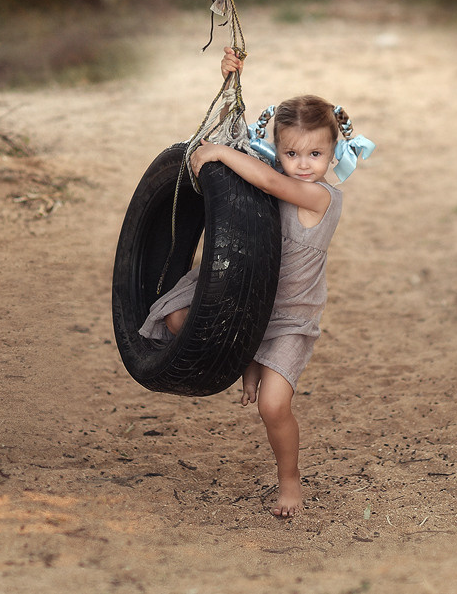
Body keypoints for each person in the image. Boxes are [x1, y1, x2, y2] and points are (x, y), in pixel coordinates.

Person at [138, 46, 373, 518]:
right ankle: (244, 355)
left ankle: (289, 480)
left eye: (315, 153)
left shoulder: (318, 197)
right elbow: (220, 146)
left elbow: (263, 179)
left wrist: (223, 153)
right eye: (290, 152)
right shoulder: (270, 169)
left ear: (334, 152)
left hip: (288, 319)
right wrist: (229, 78)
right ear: (276, 148)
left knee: (272, 405)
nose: (303, 163)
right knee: (180, 317)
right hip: (243, 300)